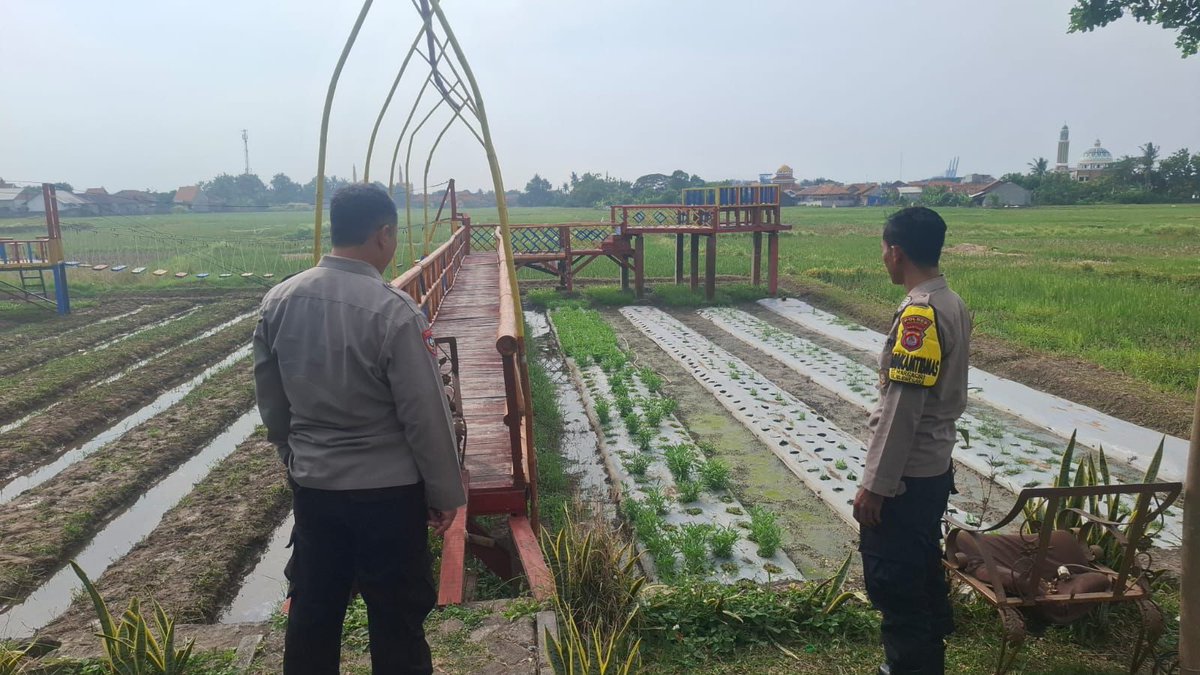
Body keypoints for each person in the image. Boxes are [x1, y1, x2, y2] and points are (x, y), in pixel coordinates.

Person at [254, 183, 466, 674]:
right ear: (384, 234)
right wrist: (445, 494)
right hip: (388, 493)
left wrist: (294, 455)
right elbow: (424, 414)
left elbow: (272, 400)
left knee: (313, 609)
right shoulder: (392, 310)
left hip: (316, 487)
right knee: (396, 615)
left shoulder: (279, 301)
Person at [853, 206, 971, 675]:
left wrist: (876, 485)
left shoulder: (919, 315)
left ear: (897, 253)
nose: (883, 258)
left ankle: (909, 666)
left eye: (883, 250)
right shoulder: (952, 301)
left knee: (894, 580)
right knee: (920, 568)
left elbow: (903, 408)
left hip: (906, 476)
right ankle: (927, 657)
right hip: (934, 467)